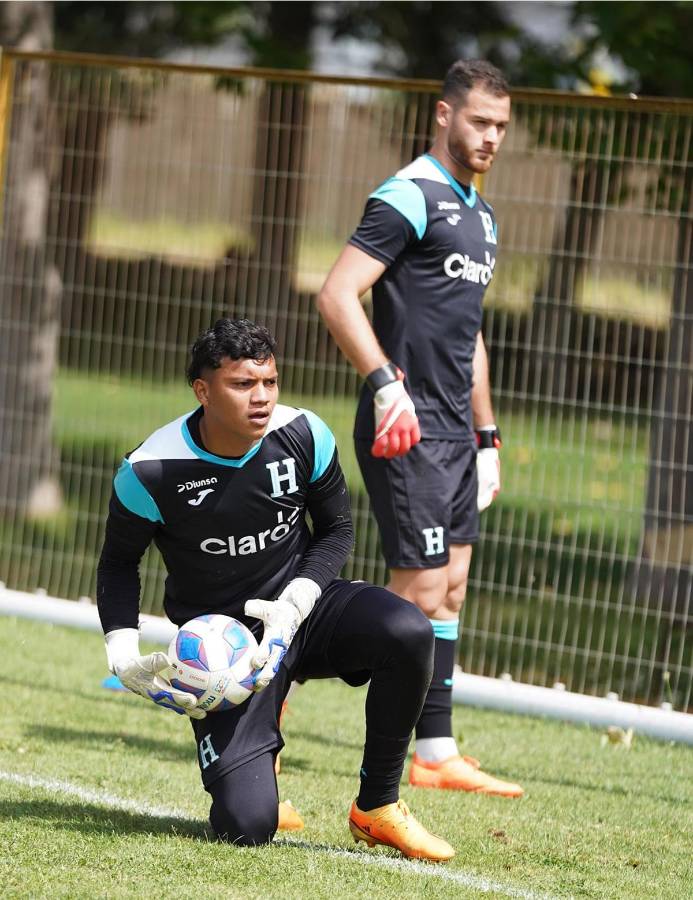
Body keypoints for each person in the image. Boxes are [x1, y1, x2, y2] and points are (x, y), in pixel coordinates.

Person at [96, 317, 454, 861]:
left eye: (270, 382)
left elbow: (336, 531)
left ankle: (377, 807)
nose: (261, 397)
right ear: (203, 390)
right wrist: (122, 653)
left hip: (304, 608)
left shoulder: (305, 434)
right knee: (247, 825)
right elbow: (118, 564)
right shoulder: (150, 471)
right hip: (228, 651)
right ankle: (259, 770)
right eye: (243, 384)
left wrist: (299, 598)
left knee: (407, 629)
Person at [316, 60, 523, 798]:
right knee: (414, 594)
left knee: (451, 588)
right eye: (479, 122)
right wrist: (382, 387)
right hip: (403, 429)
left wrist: (487, 436)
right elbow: (338, 293)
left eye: (501, 125)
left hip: (455, 438)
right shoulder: (408, 194)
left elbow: (468, 337)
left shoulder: (483, 214)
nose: (491, 137)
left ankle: (434, 754)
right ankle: (276, 689)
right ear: (443, 115)